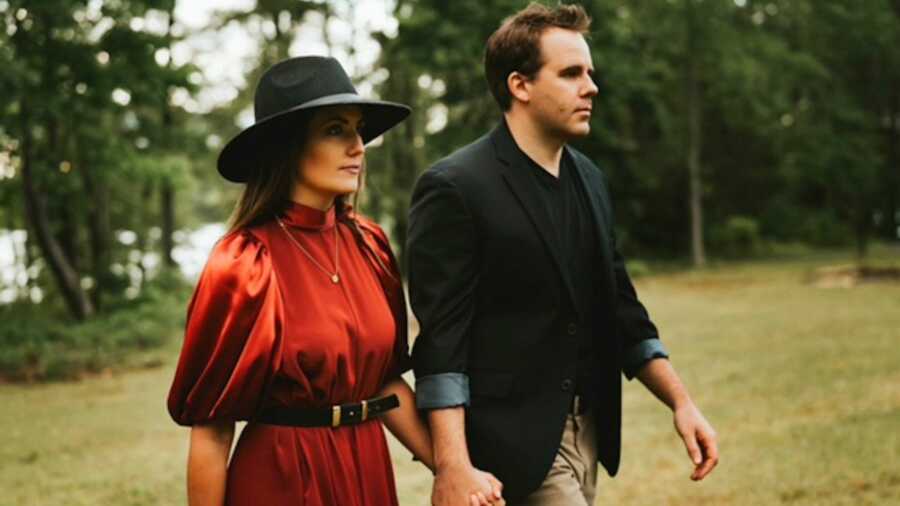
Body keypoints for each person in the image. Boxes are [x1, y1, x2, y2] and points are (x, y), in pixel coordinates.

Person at [407, 4, 719, 505]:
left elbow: (621, 308)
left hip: (589, 429)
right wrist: (453, 466)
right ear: (520, 85)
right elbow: (442, 345)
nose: (591, 87)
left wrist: (681, 403)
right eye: (571, 73)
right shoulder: (455, 188)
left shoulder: (590, 179)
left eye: (590, 73)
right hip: (510, 445)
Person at [166, 56, 502, 506]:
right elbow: (212, 429)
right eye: (335, 129)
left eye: (358, 129)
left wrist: (455, 472)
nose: (358, 146)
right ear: (287, 147)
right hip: (282, 476)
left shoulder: (370, 244)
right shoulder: (245, 262)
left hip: (366, 467)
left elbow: (382, 384)